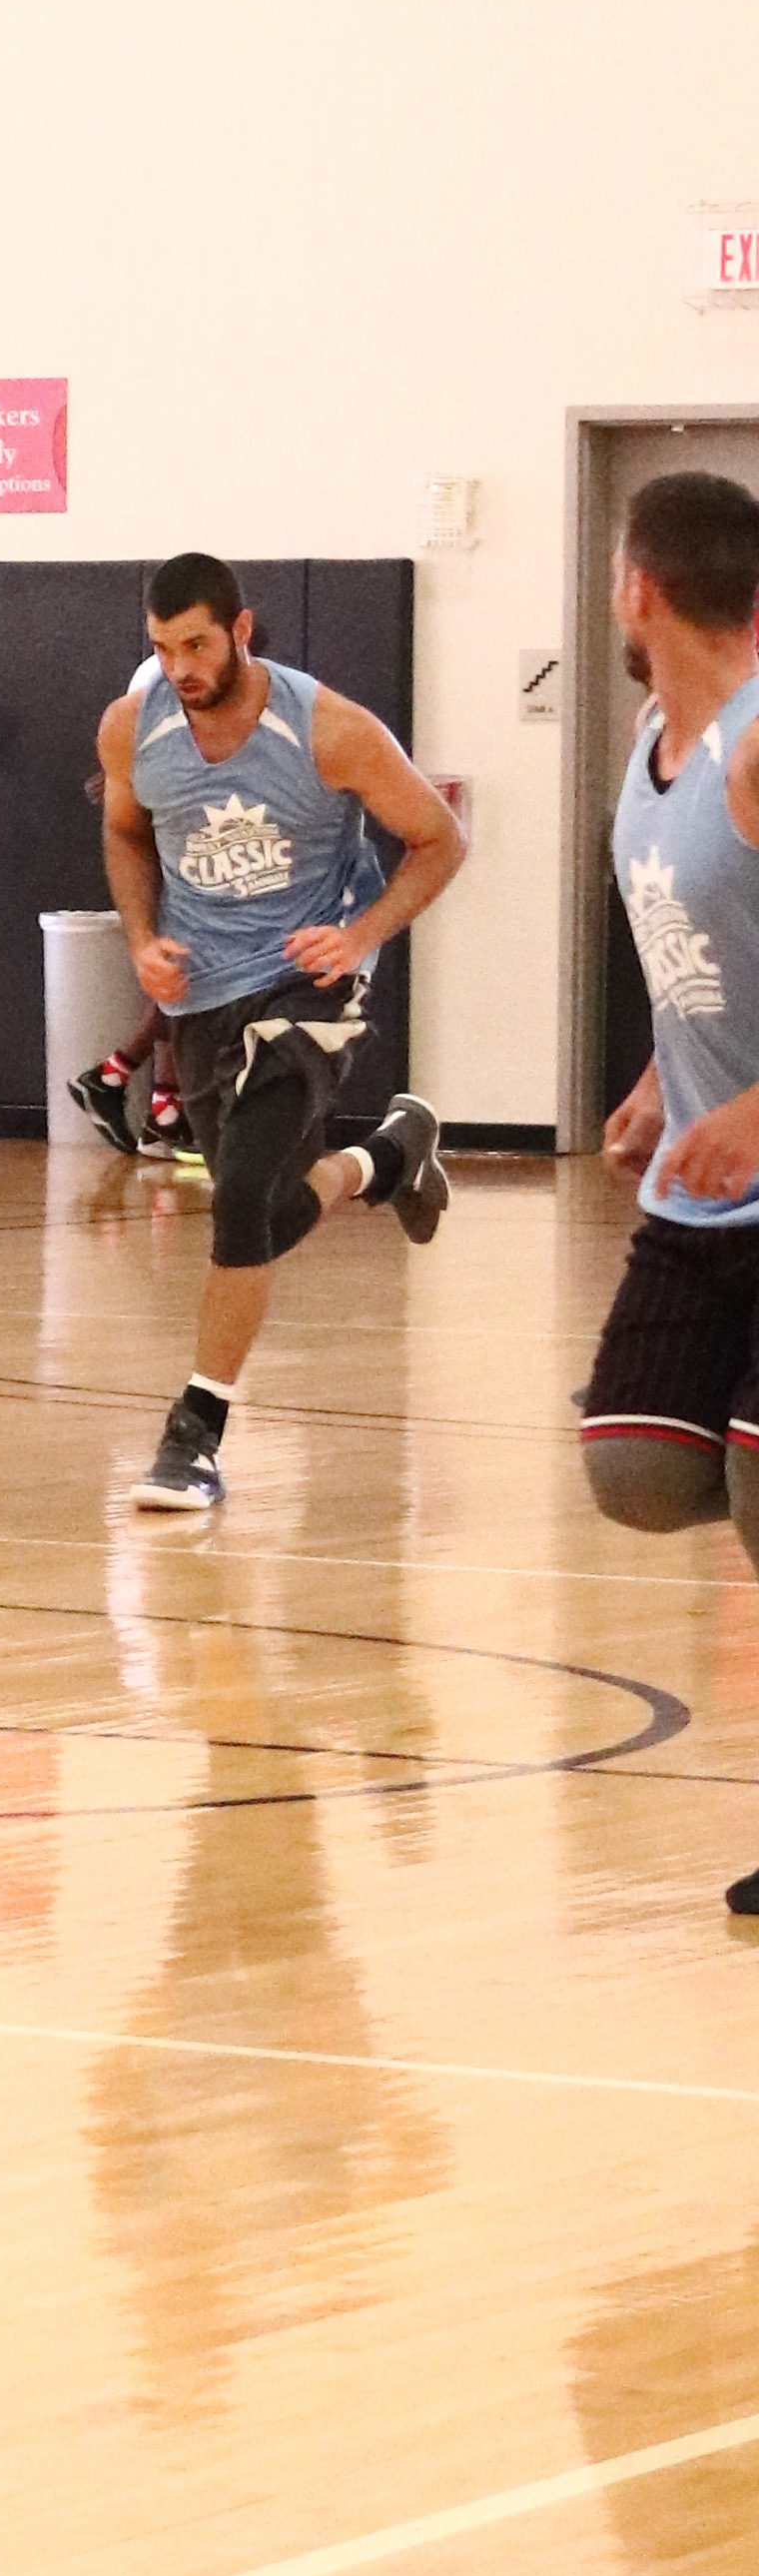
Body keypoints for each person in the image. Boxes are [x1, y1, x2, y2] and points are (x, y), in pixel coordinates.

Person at [99, 550, 457, 1515]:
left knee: (243, 1197)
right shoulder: (132, 727)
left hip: (309, 983)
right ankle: (386, 1159)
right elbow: (126, 833)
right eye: (163, 648)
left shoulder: (328, 729)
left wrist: (361, 935)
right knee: (256, 1214)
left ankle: (194, 1436)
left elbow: (439, 838)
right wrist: (139, 938)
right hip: (202, 996)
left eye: (197, 644)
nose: (180, 666)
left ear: (241, 631)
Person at [573, 468, 759, 1910]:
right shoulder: (654, 744)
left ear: (638, 587)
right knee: (636, 1471)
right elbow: (708, 957)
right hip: (702, 1200)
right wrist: (658, 1079)